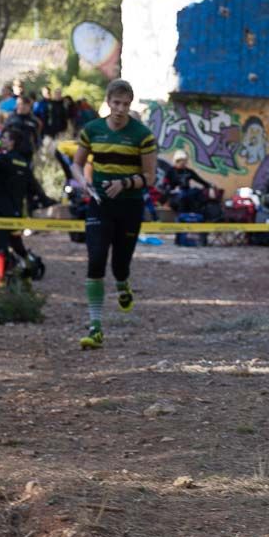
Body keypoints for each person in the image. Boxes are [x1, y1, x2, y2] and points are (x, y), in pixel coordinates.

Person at [69, 78, 157, 351]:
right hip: (99, 204)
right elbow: (77, 164)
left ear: (130, 105)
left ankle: (122, 284)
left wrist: (125, 184)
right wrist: (81, 181)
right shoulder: (92, 130)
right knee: (95, 260)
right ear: (108, 103)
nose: (120, 109)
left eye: (125, 104)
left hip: (129, 206)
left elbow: (150, 177)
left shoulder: (142, 135)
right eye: (116, 103)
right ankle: (95, 328)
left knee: (120, 264)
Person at [0, 128, 41, 286]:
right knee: (16, 244)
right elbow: (32, 185)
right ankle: (29, 268)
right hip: (15, 209)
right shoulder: (22, 160)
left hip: (0, 210)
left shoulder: (4, 159)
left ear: (13, 142)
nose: (2, 140)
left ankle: (1, 279)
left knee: (1, 245)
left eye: (5, 138)